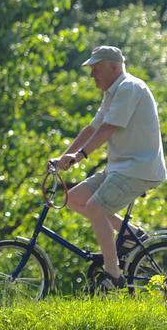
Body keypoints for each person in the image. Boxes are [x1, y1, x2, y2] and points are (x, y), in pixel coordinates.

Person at [50, 45, 165, 289]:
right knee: (73, 199)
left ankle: (113, 275)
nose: (92, 74)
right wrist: (63, 159)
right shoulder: (112, 93)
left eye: (96, 68)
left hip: (139, 169)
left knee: (95, 207)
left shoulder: (129, 88)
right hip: (120, 168)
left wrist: (80, 156)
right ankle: (133, 234)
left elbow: (109, 128)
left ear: (114, 67)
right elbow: (92, 129)